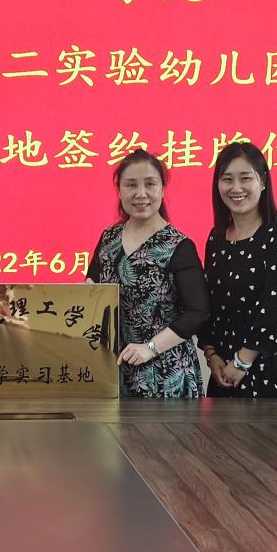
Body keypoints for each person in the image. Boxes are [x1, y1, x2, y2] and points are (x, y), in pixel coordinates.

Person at [198, 142, 277, 418]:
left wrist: (243, 361)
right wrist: (212, 355)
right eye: (227, 179)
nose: (236, 188)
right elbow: (209, 304)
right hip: (225, 369)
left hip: (270, 366)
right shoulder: (216, 238)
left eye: (245, 178)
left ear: (262, 182)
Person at [86, 150, 208, 398]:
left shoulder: (179, 246)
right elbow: (93, 286)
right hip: (115, 372)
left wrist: (150, 348)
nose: (140, 193)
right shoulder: (108, 238)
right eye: (131, 185)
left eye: (150, 184)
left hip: (166, 375)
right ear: (119, 190)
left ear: (162, 189)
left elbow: (198, 312)